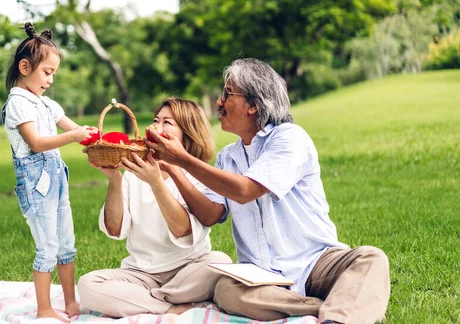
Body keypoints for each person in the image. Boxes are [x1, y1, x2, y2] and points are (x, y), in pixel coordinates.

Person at [145, 58, 390, 324]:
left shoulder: (290, 138)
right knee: (226, 291)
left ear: (254, 105)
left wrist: (182, 159)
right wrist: (174, 169)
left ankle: (337, 314)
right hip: (261, 278)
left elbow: (246, 190)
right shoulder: (228, 157)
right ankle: (331, 309)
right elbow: (209, 215)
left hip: (315, 264)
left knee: (370, 258)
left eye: (227, 94)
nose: (218, 102)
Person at [77, 97, 232, 318]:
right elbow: (114, 228)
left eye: (167, 122)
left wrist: (156, 182)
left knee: (220, 262)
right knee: (88, 284)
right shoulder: (134, 173)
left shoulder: (197, 175)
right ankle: (171, 307)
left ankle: (143, 300)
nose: (155, 127)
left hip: (188, 270)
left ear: (187, 133)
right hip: (140, 274)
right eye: (155, 120)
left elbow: (182, 230)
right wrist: (114, 179)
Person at [1, 22, 98, 319]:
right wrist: (74, 137)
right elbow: (37, 143)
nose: (51, 80)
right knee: (47, 247)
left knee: (66, 244)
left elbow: (75, 128)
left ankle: (70, 302)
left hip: (57, 181)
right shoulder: (18, 102)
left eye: (53, 73)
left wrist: (95, 137)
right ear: (25, 66)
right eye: (47, 72)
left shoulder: (45, 103)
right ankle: (44, 309)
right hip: (37, 184)